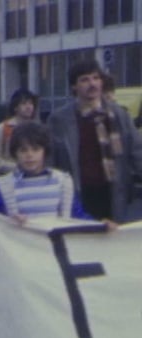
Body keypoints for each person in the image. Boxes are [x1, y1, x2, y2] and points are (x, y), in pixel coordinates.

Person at [47, 59, 142, 222]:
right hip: (78, 193)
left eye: (96, 78)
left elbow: (137, 152)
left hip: (114, 193)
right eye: (85, 79)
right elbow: (50, 159)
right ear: (74, 86)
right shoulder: (59, 119)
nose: (92, 84)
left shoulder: (119, 115)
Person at [0, 122, 93, 221]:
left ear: (45, 151)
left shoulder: (62, 181)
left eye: (35, 149)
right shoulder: (4, 185)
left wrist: (101, 226)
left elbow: (77, 216)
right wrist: (9, 221)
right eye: (23, 150)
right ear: (15, 153)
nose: (29, 155)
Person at [0, 88, 38, 179]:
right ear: (15, 107)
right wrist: (18, 167)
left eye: (31, 103)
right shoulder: (3, 128)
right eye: (24, 104)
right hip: (8, 179)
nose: (28, 107)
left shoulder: (38, 129)